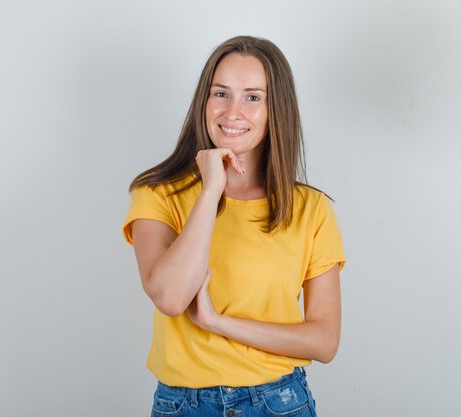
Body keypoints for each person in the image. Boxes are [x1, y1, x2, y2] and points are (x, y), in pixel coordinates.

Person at [122, 35, 345, 417]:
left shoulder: (311, 209)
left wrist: (217, 322)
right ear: (204, 102)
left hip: (280, 403)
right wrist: (211, 189)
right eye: (220, 94)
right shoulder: (157, 193)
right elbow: (171, 298)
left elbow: (323, 342)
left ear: (277, 109)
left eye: (253, 97)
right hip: (184, 405)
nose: (232, 112)